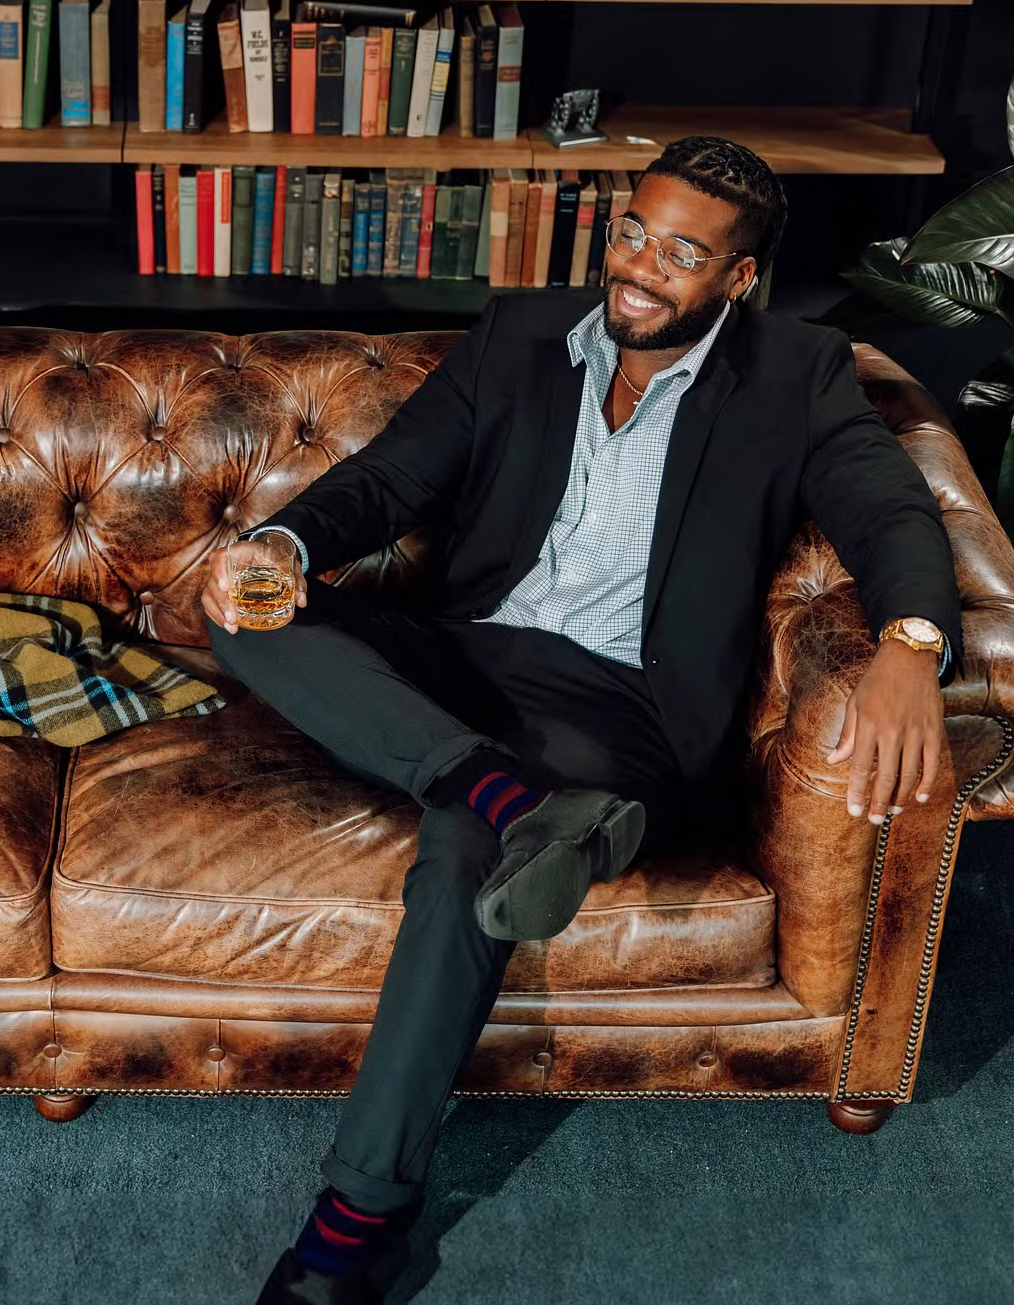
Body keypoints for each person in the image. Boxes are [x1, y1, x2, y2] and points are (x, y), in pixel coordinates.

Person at [201, 136, 960, 1304]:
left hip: (621, 708)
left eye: (683, 254)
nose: (641, 271)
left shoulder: (795, 374)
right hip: (459, 663)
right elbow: (390, 480)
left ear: (740, 278)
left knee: (465, 866)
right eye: (633, 234)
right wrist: (282, 546)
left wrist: (912, 646)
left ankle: (355, 1223)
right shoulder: (520, 335)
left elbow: (891, 508)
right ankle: (495, 788)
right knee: (243, 611)